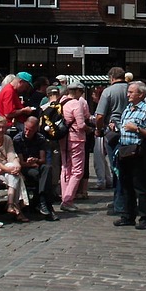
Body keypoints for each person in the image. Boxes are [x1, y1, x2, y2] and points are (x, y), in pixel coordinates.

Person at [112, 80, 146, 230]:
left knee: (141, 186)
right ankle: (128, 215)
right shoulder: (127, 109)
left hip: (138, 152)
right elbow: (124, 128)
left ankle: (144, 218)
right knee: (126, 185)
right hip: (124, 150)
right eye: (128, 92)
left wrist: (137, 129)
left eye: (131, 92)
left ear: (141, 94)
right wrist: (115, 127)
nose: (128, 95)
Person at [95, 67, 130, 215]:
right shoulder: (133, 89)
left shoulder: (108, 91)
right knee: (128, 169)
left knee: (116, 168)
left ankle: (120, 204)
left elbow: (99, 116)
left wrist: (100, 128)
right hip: (131, 132)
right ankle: (123, 201)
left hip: (114, 132)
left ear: (111, 78)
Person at [59, 79, 92, 211]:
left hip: (63, 138)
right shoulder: (75, 104)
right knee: (78, 170)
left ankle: (64, 197)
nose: (82, 94)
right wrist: (90, 129)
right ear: (77, 91)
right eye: (81, 91)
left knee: (65, 168)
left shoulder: (61, 101)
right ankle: (68, 200)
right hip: (76, 139)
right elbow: (81, 125)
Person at [13, 116, 54, 220]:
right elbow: (20, 162)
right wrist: (30, 163)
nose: (27, 132)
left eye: (30, 130)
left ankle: (41, 200)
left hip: (36, 165)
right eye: (26, 129)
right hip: (24, 168)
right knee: (40, 176)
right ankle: (43, 202)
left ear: (36, 129)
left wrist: (35, 160)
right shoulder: (18, 139)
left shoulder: (40, 138)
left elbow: (43, 160)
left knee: (47, 169)